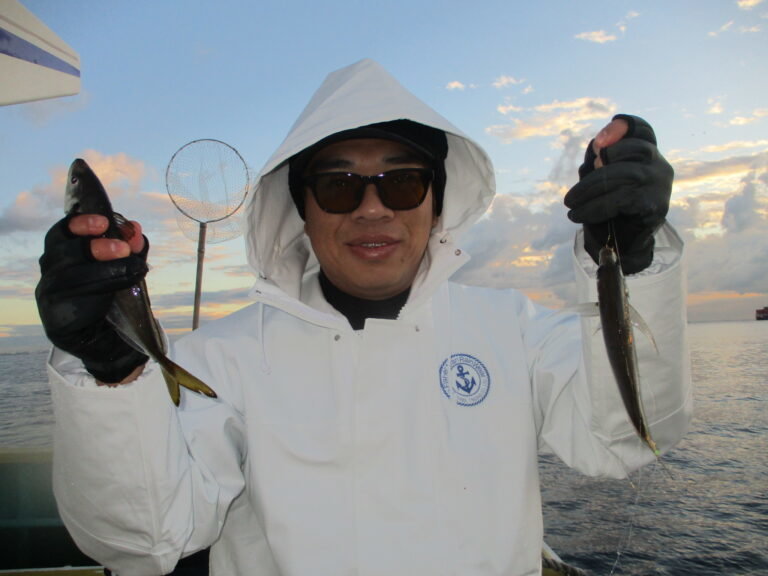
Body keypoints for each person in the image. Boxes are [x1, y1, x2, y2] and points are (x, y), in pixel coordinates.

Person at [36, 59, 692, 576]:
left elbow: (625, 439)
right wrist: (110, 365)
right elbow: (145, 541)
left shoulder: (513, 328)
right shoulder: (219, 358)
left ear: (436, 203)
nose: (372, 209)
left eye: (403, 182)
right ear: (301, 209)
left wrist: (631, 260)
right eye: (338, 185)